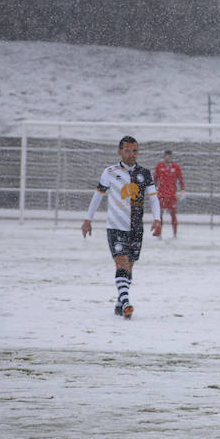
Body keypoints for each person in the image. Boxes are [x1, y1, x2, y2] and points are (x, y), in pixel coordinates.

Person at [81, 136, 162, 319]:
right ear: (120, 151)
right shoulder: (109, 172)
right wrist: (88, 219)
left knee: (129, 267)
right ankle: (126, 302)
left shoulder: (145, 173)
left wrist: (157, 219)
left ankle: (120, 301)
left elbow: (154, 197)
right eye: (127, 151)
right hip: (115, 227)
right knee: (121, 263)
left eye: (134, 151)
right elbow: (98, 196)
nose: (131, 154)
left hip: (136, 227)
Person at [154, 150, 185, 237]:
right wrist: (153, 191)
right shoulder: (159, 166)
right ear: (164, 157)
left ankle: (175, 234)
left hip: (171, 195)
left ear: (172, 157)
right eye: (166, 156)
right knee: (159, 215)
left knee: (173, 214)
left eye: (170, 156)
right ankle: (159, 233)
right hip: (161, 194)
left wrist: (183, 191)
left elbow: (181, 179)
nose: (168, 158)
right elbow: (155, 179)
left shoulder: (176, 166)